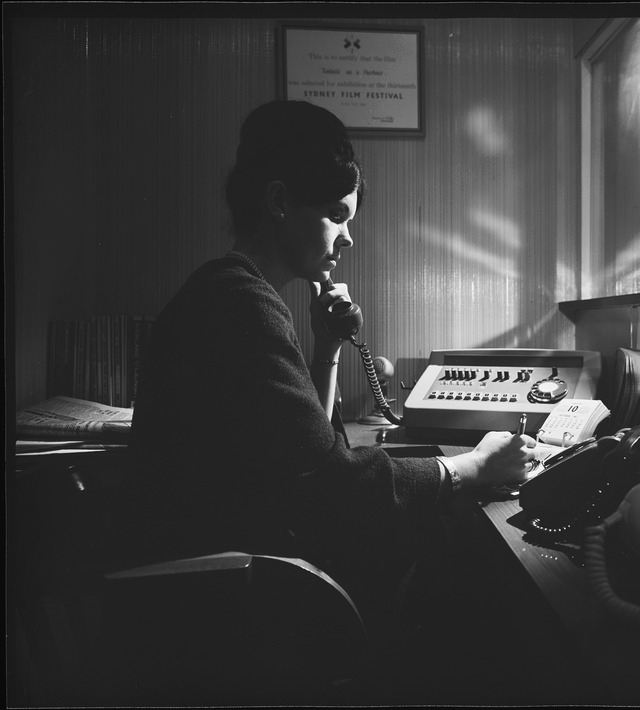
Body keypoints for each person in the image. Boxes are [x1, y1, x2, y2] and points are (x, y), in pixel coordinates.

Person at [128, 100, 537, 690]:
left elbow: (302, 456)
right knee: (461, 564)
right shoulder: (241, 303)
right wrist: (473, 465)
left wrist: (327, 348)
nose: (348, 236)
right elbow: (333, 487)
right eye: (336, 214)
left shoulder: (231, 292)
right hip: (249, 603)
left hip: (241, 575)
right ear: (277, 202)